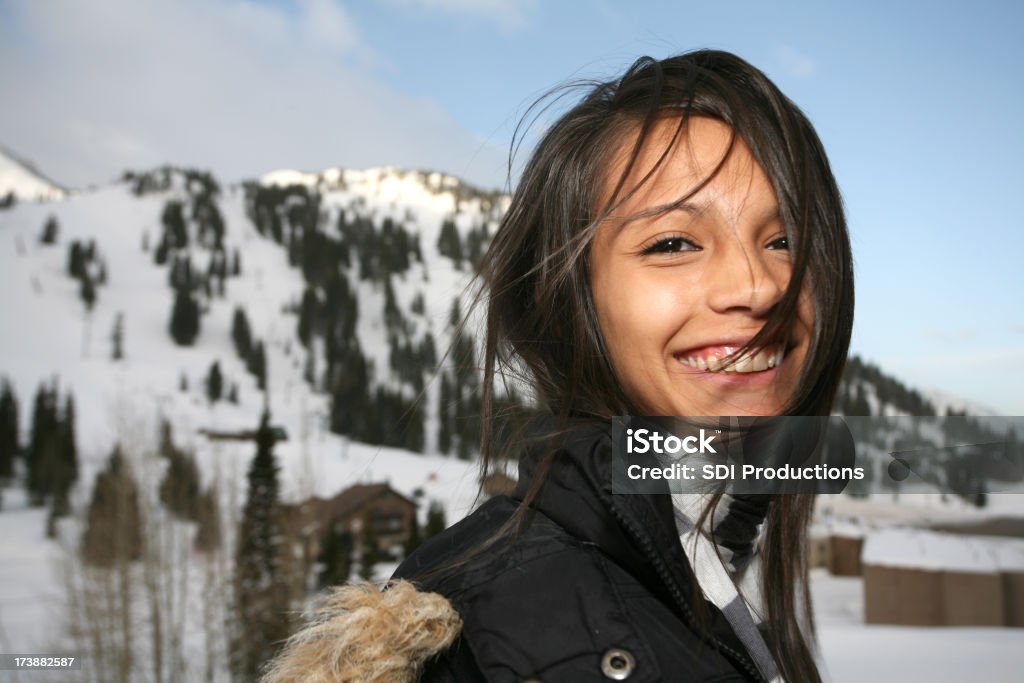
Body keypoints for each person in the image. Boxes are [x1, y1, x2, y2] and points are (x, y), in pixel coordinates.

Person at [262, 49, 853, 683]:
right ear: (571, 302)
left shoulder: (731, 569)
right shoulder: (477, 632)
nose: (759, 286)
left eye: (785, 238)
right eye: (673, 243)